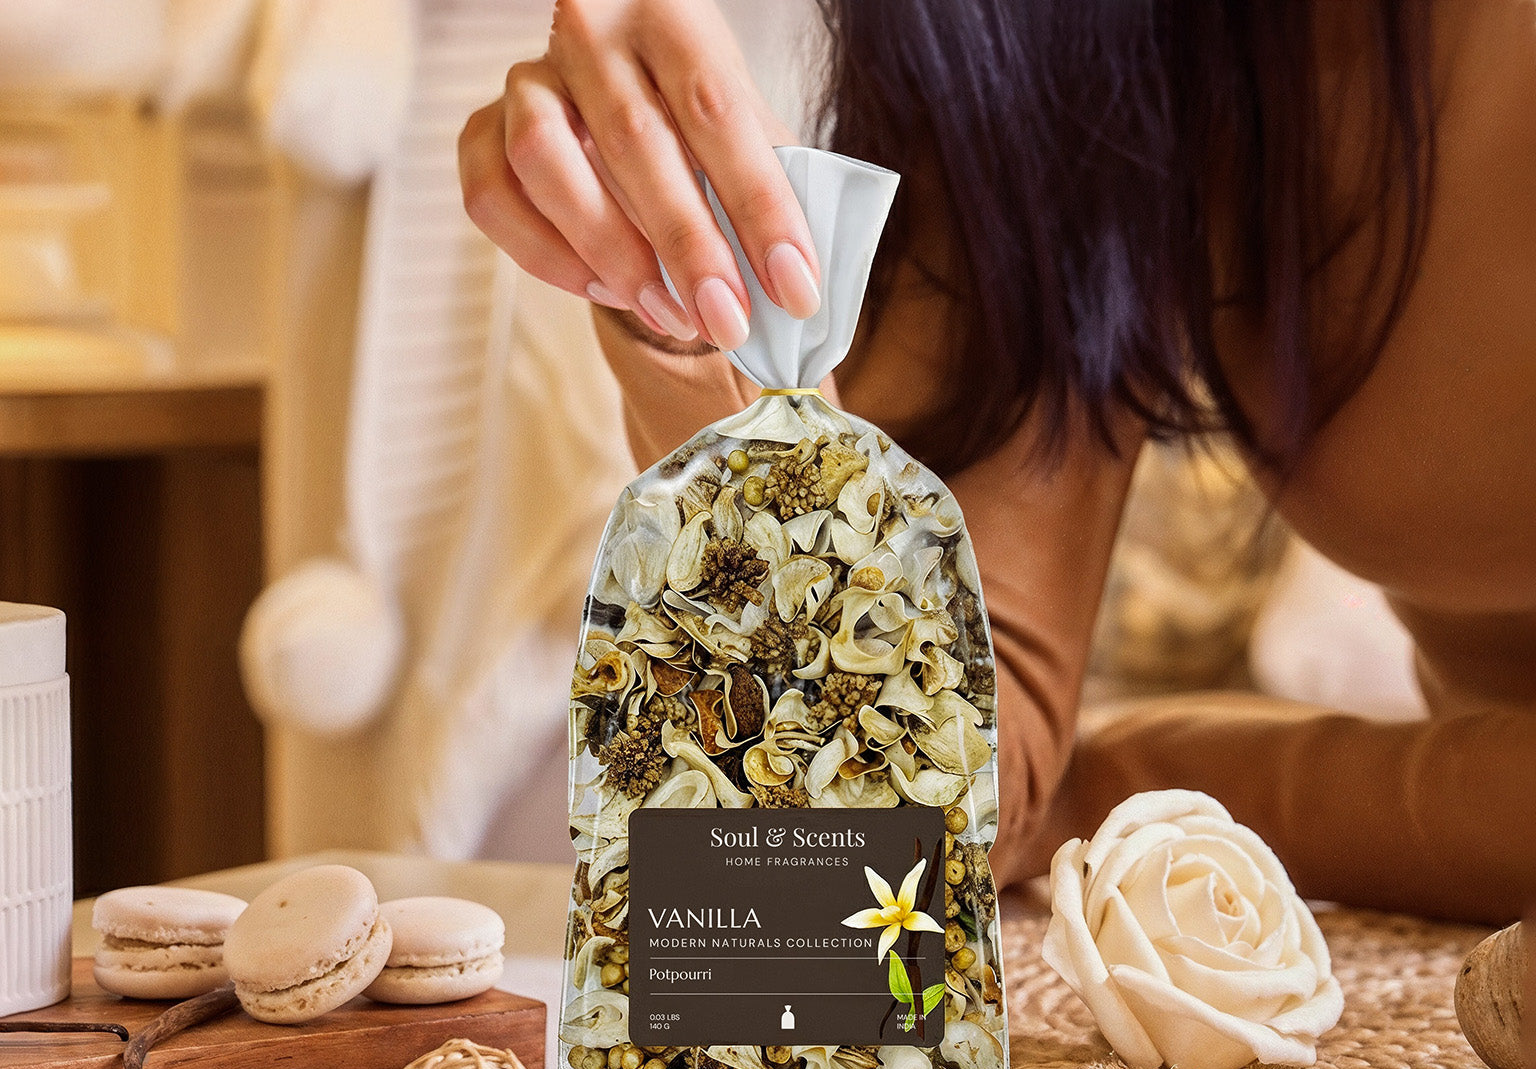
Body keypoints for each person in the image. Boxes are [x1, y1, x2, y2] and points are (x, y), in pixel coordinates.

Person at [459, 0, 1536, 924]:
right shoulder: (1047, 35)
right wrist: (695, 304)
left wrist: (1132, 790)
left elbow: (1005, 812)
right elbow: (923, 779)